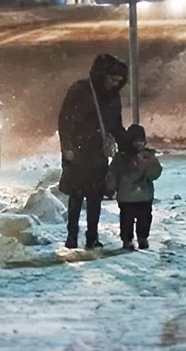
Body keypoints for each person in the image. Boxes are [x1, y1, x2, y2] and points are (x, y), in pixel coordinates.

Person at [57, 53, 129, 249]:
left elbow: (116, 126)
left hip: (98, 152)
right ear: (102, 75)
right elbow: (64, 120)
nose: (115, 84)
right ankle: (72, 236)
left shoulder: (113, 98)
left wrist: (129, 146)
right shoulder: (80, 90)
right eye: (112, 79)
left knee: (95, 196)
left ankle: (92, 237)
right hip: (78, 151)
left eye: (119, 81)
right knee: (76, 195)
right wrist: (67, 147)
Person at [106, 124, 162, 250]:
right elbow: (154, 173)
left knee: (130, 219)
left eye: (141, 140)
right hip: (140, 195)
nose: (139, 143)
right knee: (141, 218)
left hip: (131, 196)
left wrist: (110, 187)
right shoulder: (125, 157)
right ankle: (137, 238)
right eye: (136, 140)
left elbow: (113, 174)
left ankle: (131, 239)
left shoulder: (123, 157)